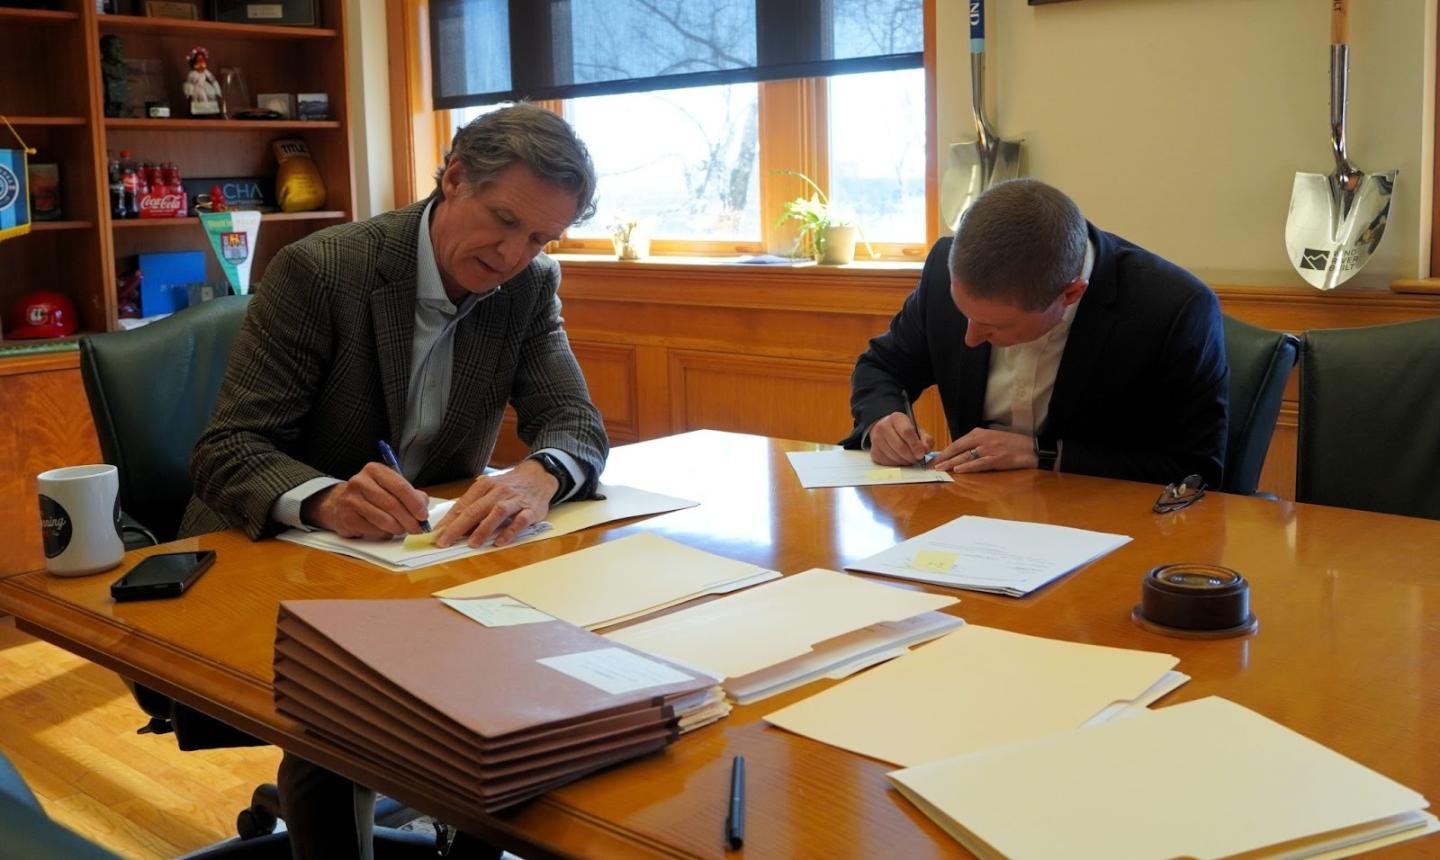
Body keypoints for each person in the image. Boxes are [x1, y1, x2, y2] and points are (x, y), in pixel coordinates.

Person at [180, 104, 608, 859]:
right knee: (346, 707)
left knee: (545, 668)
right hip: (281, 558)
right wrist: (325, 498)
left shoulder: (529, 287)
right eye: (505, 221)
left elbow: (575, 421)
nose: (514, 255)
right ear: (454, 179)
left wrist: (538, 475)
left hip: (422, 558)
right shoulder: (323, 270)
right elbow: (228, 449)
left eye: (540, 238)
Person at [844, 178, 1227, 487]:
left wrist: (1045, 454)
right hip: (968, 513)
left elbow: (1195, 470)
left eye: (996, 326)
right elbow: (881, 367)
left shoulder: (1174, 310)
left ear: (1070, 294)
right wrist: (882, 420)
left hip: (1106, 523)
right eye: (965, 314)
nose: (970, 338)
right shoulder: (946, 270)